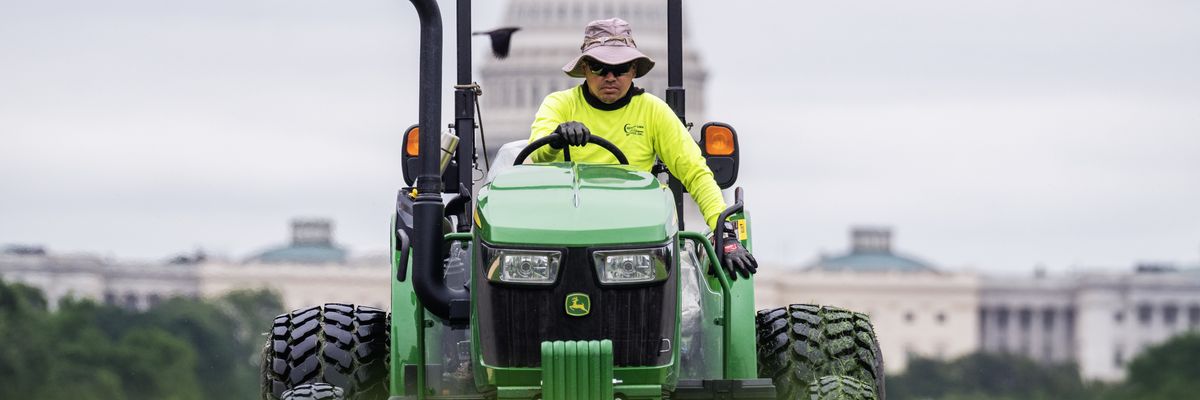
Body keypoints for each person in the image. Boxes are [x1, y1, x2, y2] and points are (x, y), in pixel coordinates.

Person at [528, 18, 757, 279]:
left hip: (634, 235)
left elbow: (695, 172)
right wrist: (558, 138)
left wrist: (724, 231)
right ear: (585, 69)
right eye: (600, 67)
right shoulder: (559, 105)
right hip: (561, 231)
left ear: (634, 69)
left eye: (621, 68)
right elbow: (538, 151)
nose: (610, 77)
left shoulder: (653, 111)